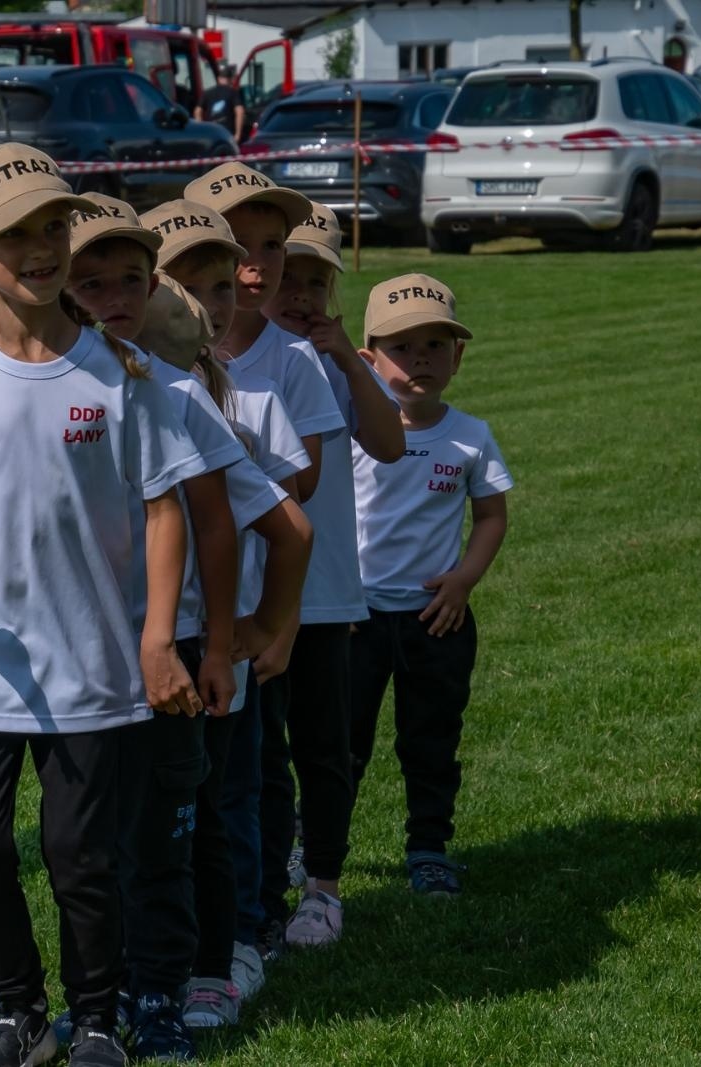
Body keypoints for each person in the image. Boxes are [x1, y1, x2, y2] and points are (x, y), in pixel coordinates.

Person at [0, 143, 203, 1067]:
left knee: (82, 859)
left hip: (94, 662)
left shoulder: (121, 371)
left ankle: (97, 1019)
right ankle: (20, 1013)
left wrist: (155, 638)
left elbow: (163, 505)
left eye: (52, 225)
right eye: (12, 233)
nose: (40, 246)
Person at [64, 198, 310, 1058]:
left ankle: (204, 965)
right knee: (117, 835)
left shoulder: (172, 396)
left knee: (198, 819)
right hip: (104, 666)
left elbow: (285, 527)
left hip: (187, 666)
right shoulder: (71, 392)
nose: (109, 299)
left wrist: (256, 634)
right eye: (88, 281)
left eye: (130, 282)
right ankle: (125, 982)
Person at [259, 202, 405, 937]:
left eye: (319, 283)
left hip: (325, 592)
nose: (302, 296)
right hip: (251, 589)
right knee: (257, 747)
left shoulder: (334, 365)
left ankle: (323, 883)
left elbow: (389, 445)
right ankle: (267, 863)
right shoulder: (233, 354)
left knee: (324, 742)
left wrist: (349, 355)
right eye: (293, 275)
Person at [348, 273, 511, 898]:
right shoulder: (353, 434)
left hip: (435, 620)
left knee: (431, 740)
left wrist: (464, 581)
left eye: (436, 345)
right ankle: (313, 847)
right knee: (342, 743)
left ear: (458, 357)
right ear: (368, 360)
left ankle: (429, 847)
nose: (421, 359)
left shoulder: (470, 435)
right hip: (356, 619)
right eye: (403, 346)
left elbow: (492, 515)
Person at [195, 64, 246, 144]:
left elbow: (197, 111)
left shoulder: (207, 93)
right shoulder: (233, 93)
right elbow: (240, 111)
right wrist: (238, 135)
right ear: (231, 80)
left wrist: (201, 131)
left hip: (211, 134)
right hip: (228, 135)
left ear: (219, 79)